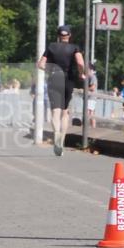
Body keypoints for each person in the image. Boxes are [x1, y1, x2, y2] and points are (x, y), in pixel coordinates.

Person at [37, 24, 85, 157]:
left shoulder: (51, 47)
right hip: (68, 80)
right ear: (69, 36)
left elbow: (40, 64)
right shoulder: (74, 48)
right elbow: (80, 63)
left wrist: (51, 70)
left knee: (55, 112)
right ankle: (61, 141)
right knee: (65, 112)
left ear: (58, 36)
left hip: (54, 79)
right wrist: (81, 74)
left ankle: (56, 135)